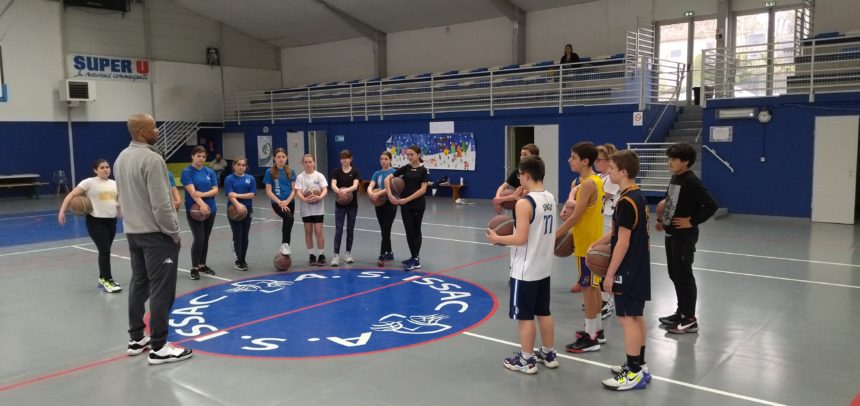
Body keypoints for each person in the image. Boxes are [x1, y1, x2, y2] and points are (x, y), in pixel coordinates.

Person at [114, 113, 191, 365]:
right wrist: (173, 232)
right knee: (161, 289)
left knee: (139, 284)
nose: (158, 130)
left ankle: (136, 338)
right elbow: (161, 204)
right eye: (154, 127)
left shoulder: (120, 158)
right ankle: (159, 345)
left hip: (133, 233)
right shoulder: (152, 159)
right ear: (142, 132)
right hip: (156, 236)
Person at [486, 156, 558, 374]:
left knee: (525, 316)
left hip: (525, 269)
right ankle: (548, 353)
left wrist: (496, 238)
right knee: (543, 312)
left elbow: (520, 238)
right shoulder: (550, 197)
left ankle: (526, 360)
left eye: (520, 176)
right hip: (543, 266)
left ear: (526, 175)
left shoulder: (525, 204)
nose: (519, 179)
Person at [594, 149, 652, 391]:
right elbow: (619, 231)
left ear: (624, 171)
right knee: (636, 316)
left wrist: (609, 274)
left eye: (612, 168)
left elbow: (624, 241)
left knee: (627, 318)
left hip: (627, 267)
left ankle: (633, 372)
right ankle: (640, 364)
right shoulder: (636, 195)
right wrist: (598, 244)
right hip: (640, 265)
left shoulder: (626, 201)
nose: (608, 171)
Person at [657, 143, 718, 334]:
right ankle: (681, 312)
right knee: (674, 274)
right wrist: (662, 220)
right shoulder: (676, 177)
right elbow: (670, 200)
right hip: (672, 233)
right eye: (670, 158)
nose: (670, 162)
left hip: (685, 236)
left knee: (684, 275)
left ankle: (690, 319)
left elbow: (711, 204)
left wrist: (692, 221)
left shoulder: (691, 181)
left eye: (674, 159)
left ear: (686, 162)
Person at [556, 141, 606, 353]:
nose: (569, 160)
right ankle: (597, 331)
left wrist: (554, 235)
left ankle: (591, 338)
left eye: (573, 157)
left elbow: (576, 217)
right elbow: (582, 211)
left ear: (585, 161)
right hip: (589, 240)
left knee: (588, 289)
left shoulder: (587, 184)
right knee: (592, 289)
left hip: (587, 244)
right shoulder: (594, 180)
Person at [58, 159, 121, 293]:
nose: (106, 169)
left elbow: (117, 200)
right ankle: (107, 280)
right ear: (95, 170)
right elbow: (71, 195)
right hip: (95, 221)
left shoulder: (115, 184)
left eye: (107, 167)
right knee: (104, 250)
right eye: (102, 167)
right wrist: (62, 211)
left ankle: (102, 278)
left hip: (111, 221)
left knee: (106, 250)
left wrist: (120, 211)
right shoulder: (89, 182)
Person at [385, 145, 428, 271]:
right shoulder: (405, 168)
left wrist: (407, 199)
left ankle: (416, 259)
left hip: (418, 205)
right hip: (405, 205)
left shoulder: (424, 170)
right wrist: (390, 195)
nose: (409, 157)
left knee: (416, 230)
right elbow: (388, 179)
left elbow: (423, 190)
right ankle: (414, 257)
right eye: (407, 154)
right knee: (409, 231)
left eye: (412, 154)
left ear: (418, 155)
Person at [181, 146, 219, 280]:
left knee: (206, 238)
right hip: (195, 211)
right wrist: (202, 204)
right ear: (192, 156)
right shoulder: (187, 172)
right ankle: (194, 267)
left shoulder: (209, 171)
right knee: (199, 238)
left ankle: (202, 265)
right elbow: (192, 192)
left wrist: (203, 194)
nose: (201, 159)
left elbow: (215, 190)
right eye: (198, 156)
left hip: (211, 210)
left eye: (203, 157)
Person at [595, 143, 621, 319]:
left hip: (610, 220)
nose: (596, 163)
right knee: (599, 259)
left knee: (604, 259)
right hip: (600, 220)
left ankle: (608, 301)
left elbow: (599, 196)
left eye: (599, 160)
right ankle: (600, 297)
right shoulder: (599, 177)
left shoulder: (611, 179)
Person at [296, 154, 328, 266]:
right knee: (308, 231)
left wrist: (320, 197)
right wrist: (304, 199)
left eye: (310, 162)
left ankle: (321, 254)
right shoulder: (300, 177)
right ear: (303, 163)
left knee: (318, 231)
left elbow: (324, 189)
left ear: (314, 162)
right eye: (306, 162)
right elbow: (298, 192)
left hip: (318, 209)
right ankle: (311, 254)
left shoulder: (319, 176)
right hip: (306, 209)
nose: (308, 164)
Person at [330, 150, 361, 266]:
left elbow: (355, 186)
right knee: (338, 230)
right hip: (340, 206)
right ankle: (336, 255)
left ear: (351, 159)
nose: (344, 159)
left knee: (350, 229)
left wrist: (345, 190)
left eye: (346, 157)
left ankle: (348, 253)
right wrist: (338, 191)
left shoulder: (355, 172)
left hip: (352, 206)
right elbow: (333, 184)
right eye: (342, 158)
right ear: (340, 160)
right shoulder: (336, 172)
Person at [224, 157, 256, 271]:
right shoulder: (229, 179)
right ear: (234, 166)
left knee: (245, 235)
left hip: (248, 209)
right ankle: (238, 261)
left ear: (245, 167)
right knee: (238, 235)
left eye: (243, 165)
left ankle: (243, 259)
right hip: (233, 209)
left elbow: (252, 194)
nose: (241, 167)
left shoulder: (250, 178)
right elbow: (229, 195)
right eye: (239, 164)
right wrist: (238, 205)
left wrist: (237, 195)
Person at [264, 148, 297, 258]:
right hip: (277, 203)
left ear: (286, 157)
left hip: (290, 202)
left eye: (283, 157)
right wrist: (280, 202)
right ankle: (285, 244)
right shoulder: (270, 172)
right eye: (278, 157)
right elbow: (268, 191)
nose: (281, 159)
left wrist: (287, 201)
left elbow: (294, 190)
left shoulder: (291, 171)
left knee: (288, 222)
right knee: (289, 218)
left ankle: (285, 247)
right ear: (274, 158)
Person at [368, 151, 397, 266]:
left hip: (390, 203)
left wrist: (379, 193)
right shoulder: (377, 173)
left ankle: (381, 255)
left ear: (390, 160)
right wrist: (371, 193)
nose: (383, 161)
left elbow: (391, 187)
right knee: (384, 230)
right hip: (379, 204)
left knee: (386, 229)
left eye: (386, 159)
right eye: (381, 159)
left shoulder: (394, 172)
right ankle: (389, 252)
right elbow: (370, 186)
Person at [493, 143, 539, 214]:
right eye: (521, 155)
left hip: (530, 207)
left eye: (525, 154)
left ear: (534, 156)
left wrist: (502, 199)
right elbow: (502, 186)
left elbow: (524, 193)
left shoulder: (536, 173)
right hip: (518, 207)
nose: (521, 157)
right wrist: (497, 199)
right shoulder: (518, 171)